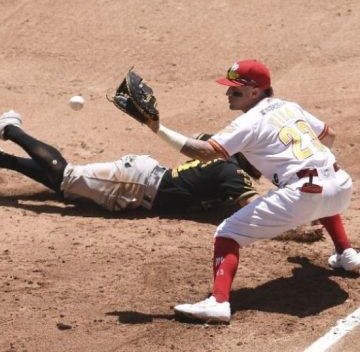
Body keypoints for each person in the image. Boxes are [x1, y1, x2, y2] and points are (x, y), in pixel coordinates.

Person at [142, 59, 360, 323]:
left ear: (255, 91)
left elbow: (201, 152)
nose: (228, 95)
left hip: (306, 193)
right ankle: (346, 253)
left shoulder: (250, 122)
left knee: (227, 233)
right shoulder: (290, 106)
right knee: (321, 194)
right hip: (342, 185)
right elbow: (330, 136)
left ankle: (218, 302)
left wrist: (157, 128)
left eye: (235, 90)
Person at [0, 111, 259, 214]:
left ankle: (5, 159)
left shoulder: (221, 159)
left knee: (64, 186)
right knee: (66, 175)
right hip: (135, 184)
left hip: (141, 180)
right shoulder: (232, 174)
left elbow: (199, 139)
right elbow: (254, 208)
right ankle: (11, 128)